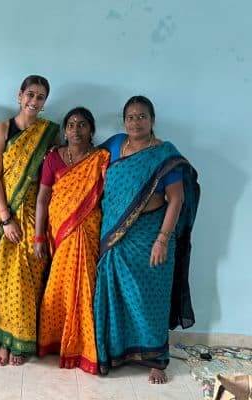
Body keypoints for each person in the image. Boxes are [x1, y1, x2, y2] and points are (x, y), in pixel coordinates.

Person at [94, 96, 200, 383]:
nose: (135, 122)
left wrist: (163, 239)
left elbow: (175, 199)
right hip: (115, 237)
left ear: (152, 120)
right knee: (115, 293)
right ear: (124, 121)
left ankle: (155, 359)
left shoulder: (164, 154)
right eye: (130, 117)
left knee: (150, 298)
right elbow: (86, 164)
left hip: (151, 234)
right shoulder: (115, 145)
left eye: (142, 116)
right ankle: (115, 352)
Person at [0, 75, 59, 366]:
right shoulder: (3, 128)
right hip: (4, 212)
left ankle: (20, 338)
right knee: (3, 277)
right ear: (19, 95)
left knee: (28, 276)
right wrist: (6, 218)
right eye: (30, 94)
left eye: (40, 97)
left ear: (45, 102)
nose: (34, 101)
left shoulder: (49, 132)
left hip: (34, 212)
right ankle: (3, 341)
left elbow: (50, 175)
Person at [34, 107, 109, 374]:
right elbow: (42, 198)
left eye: (82, 125)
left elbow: (107, 198)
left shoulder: (101, 159)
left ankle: (84, 346)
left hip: (87, 231)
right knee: (57, 285)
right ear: (64, 130)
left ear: (91, 129)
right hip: (59, 232)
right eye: (71, 125)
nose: (76, 130)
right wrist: (39, 235)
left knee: (85, 286)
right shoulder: (53, 158)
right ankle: (54, 340)